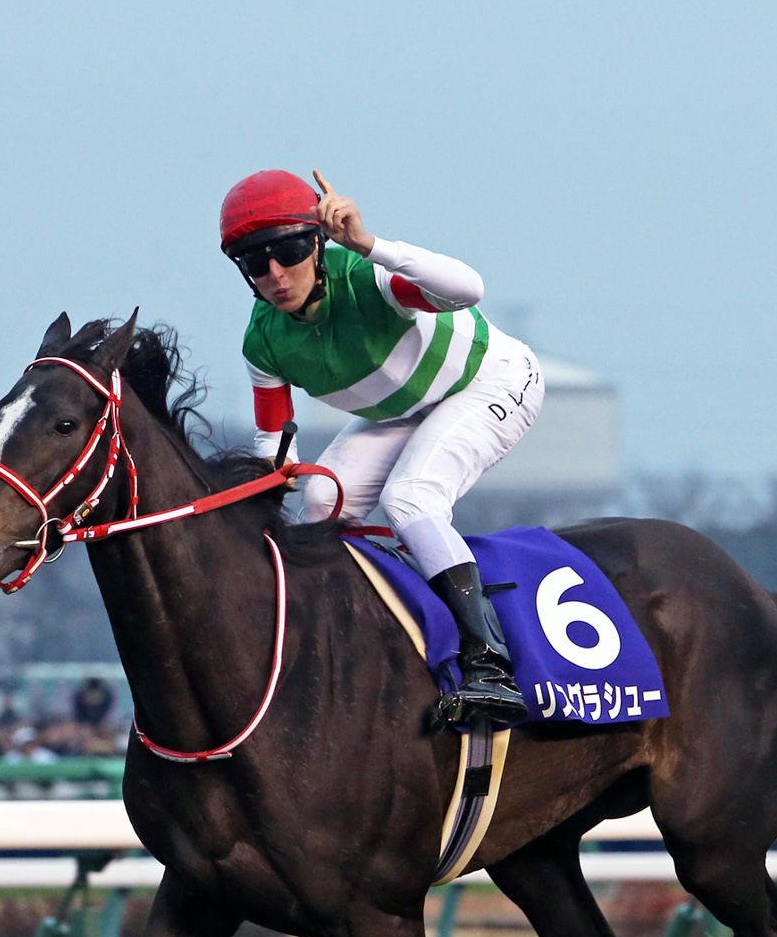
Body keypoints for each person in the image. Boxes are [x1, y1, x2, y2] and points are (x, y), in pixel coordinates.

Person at [219, 168, 543, 725]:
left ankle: (490, 665)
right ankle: (363, 634)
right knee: (318, 503)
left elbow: (469, 289)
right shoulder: (263, 342)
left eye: (290, 249)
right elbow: (273, 446)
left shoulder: (368, 278)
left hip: (490, 381)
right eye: (255, 261)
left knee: (411, 499)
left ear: (318, 243)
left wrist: (369, 245)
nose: (276, 274)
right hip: (400, 412)